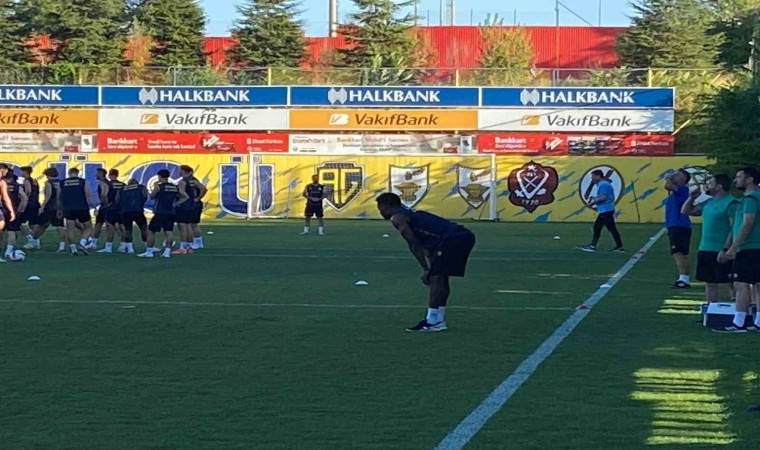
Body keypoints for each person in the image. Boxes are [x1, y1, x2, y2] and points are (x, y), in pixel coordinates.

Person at [376, 192, 476, 332]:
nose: (380, 212)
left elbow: (413, 244)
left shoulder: (398, 218)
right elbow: (427, 248)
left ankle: (432, 321)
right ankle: (438, 319)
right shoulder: (411, 214)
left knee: (436, 278)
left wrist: (426, 269)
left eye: (381, 208)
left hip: (452, 239)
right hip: (462, 236)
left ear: (387, 206)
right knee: (440, 277)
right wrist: (429, 267)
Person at [682, 174, 738, 304]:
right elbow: (686, 211)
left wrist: (726, 248)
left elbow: (734, 228)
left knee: (731, 282)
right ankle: (711, 308)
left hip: (722, 249)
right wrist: (691, 198)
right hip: (705, 248)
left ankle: (738, 309)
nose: (707, 185)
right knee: (710, 282)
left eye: (710, 183)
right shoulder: (708, 202)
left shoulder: (731, 203)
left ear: (719, 186)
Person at [716, 167, 760, 333]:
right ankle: (758, 321)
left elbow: (747, 223)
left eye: (739, 177)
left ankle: (739, 322)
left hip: (749, 247)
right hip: (755, 246)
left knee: (740, 283)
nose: (735, 180)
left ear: (749, 179)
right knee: (757, 284)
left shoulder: (750, 199)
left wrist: (733, 247)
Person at [138, 169, 188, 259]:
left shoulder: (159, 186)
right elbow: (185, 197)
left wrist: (155, 187)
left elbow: (152, 196)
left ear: (160, 176)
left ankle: (149, 251)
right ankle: (167, 252)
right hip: (171, 212)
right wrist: (175, 204)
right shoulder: (175, 187)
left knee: (151, 231)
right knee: (168, 231)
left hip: (160, 211)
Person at [579, 169, 625, 253]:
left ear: (598, 176)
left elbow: (603, 197)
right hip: (606, 210)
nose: (592, 178)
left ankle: (594, 246)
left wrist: (592, 203)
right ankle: (618, 246)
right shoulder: (603, 184)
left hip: (605, 210)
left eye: (593, 176)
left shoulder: (603, 184)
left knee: (602, 227)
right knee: (604, 228)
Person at [665, 169, 693, 288]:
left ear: (684, 178)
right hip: (677, 225)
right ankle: (684, 278)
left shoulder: (682, 189)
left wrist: (668, 177)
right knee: (679, 252)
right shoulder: (678, 191)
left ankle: (683, 279)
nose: (674, 176)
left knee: (677, 252)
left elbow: (667, 185)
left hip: (678, 225)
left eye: (678, 175)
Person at [28, 168, 66, 252]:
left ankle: (34, 242)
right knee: (59, 226)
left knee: (41, 225)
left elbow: (48, 195)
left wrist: (42, 206)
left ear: (47, 175)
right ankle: (62, 245)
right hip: (58, 207)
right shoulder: (61, 182)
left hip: (49, 207)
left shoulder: (48, 183)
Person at [57, 167, 94, 255]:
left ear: (69, 173)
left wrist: (59, 209)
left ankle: (73, 249)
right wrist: (91, 205)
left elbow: (58, 196)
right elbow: (88, 194)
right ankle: (82, 243)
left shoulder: (62, 182)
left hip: (68, 208)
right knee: (88, 227)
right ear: (78, 173)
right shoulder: (83, 181)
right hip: (82, 207)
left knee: (70, 228)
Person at [115, 178, 148, 255]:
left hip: (125, 211)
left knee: (127, 229)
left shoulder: (122, 189)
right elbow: (145, 196)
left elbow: (117, 200)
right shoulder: (141, 187)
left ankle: (130, 248)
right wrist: (140, 203)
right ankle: (147, 245)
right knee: (143, 228)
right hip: (138, 210)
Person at [96, 169, 126, 254]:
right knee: (122, 227)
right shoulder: (123, 184)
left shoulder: (107, 184)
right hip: (121, 208)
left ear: (109, 175)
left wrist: (106, 204)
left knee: (110, 228)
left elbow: (104, 194)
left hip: (111, 208)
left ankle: (108, 247)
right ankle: (123, 246)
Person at [2, 171, 29, 260]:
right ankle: (8, 252)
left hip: (2, 211)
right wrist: (20, 210)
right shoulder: (17, 186)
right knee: (12, 232)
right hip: (13, 212)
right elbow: (25, 198)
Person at [175, 165, 197, 254]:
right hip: (191, 205)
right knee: (188, 226)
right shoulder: (192, 181)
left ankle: (182, 247)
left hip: (183, 206)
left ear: (184, 171)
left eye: (180, 170)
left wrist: (176, 203)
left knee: (182, 226)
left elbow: (183, 195)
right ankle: (189, 246)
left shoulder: (182, 182)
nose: (178, 172)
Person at [18, 166, 41, 250]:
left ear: (25, 172)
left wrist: (24, 199)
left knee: (18, 222)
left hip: (28, 205)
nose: (20, 173)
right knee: (33, 224)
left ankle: (30, 240)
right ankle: (36, 241)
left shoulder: (26, 180)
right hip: (35, 204)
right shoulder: (34, 180)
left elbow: (28, 191)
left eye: (21, 171)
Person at [0, 164, 15, 262]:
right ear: (2, 170)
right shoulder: (2, 182)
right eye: (6, 170)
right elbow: (5, 198)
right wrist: (11, 211)